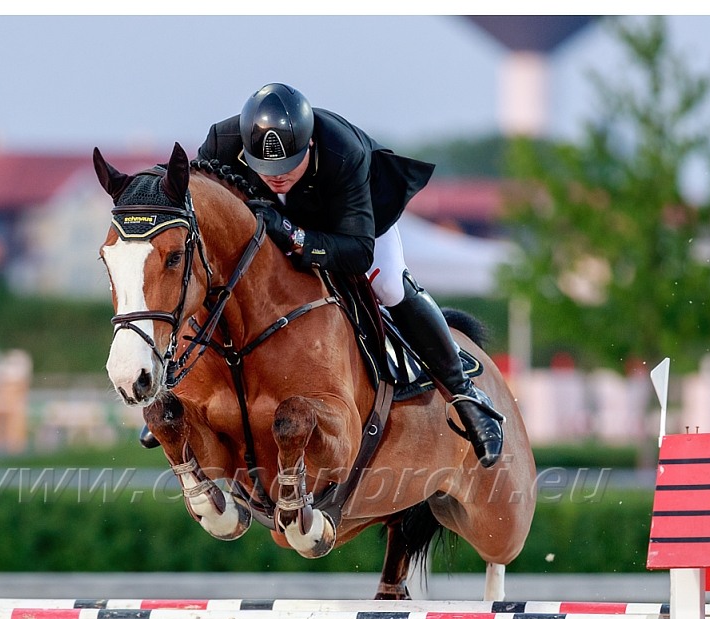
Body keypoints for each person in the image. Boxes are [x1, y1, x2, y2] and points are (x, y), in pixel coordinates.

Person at [182, 83, 506, 468]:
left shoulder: (341, 151)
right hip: (268, 228)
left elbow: (356, 253)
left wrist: (292, 234)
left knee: (387, 284)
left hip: (352, 224)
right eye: (266, 167)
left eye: (289, 165)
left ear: (310, 145)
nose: (277, 177)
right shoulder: (222, 142)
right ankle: (182, 382)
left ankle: (465, 395)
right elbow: (199, 213)